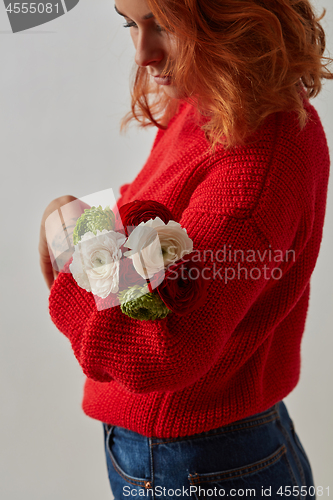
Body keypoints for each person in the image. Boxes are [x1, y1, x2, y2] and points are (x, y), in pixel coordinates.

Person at [40, 0, 332, 498]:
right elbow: (145, 211)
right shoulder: (213, 105)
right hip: (190, 453)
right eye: (130, 24)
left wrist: (73, 236)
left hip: (201, 463)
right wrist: (83, 222)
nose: (142, 54)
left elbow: (157, 346)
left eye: (166, 26)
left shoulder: (257, 162)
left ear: (235, 15)